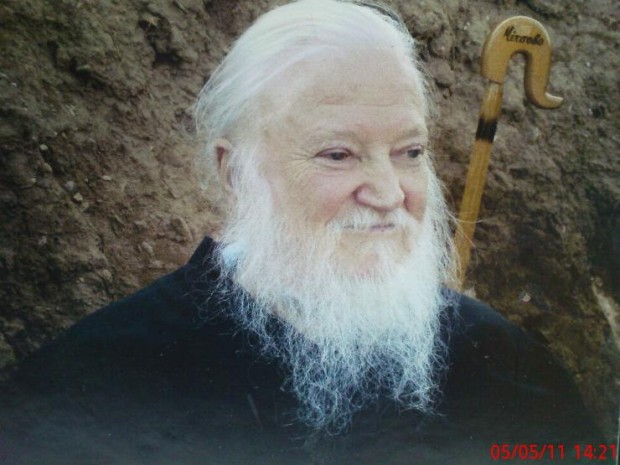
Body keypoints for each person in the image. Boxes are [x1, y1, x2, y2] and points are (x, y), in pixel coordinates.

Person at [0, 1, 611, 464]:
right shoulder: (92, 388)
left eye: (410, 152)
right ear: (234, 172)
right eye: (337, 155)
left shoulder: (510, 372)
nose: (389, 193)